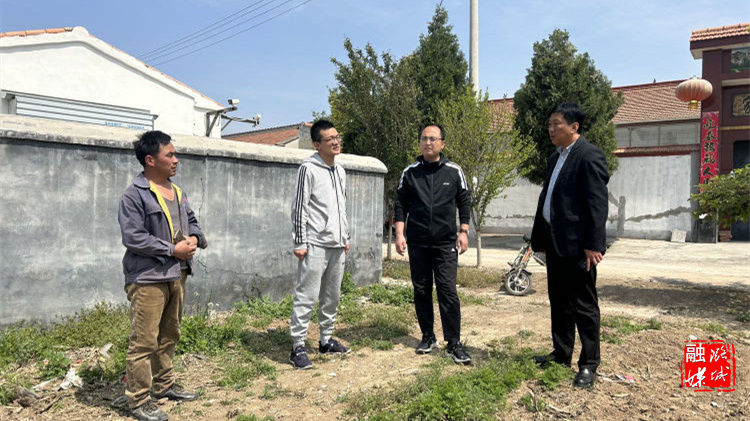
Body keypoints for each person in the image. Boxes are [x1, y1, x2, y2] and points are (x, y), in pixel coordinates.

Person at [118, 130, 207, 421]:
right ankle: (138, 400)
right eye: (169, 154)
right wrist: (172, 250)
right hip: (148, 278)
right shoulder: (134, 195)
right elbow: (133, 237)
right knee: (144, 341)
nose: (176, 159)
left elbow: (191, 220)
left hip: (177, 273)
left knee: (170, 333)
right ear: (150, 160)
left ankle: (164, 384)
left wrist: (195, 238)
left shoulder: (177, 192)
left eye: (175, 154)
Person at [530, 103, 609, 388]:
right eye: (549, 124)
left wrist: (593, 244)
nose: (551, 129)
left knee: (584, 306)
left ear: (574, 127)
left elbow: (597, 204)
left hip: (579, 247)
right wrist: (540, 239)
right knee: (559, 302)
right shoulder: (556, 157)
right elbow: (549, 199)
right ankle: (561, 353)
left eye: (557, 124)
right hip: (555, 242)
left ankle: (588, 364)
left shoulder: (589, 155)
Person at [394, 124, 473, 365]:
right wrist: (400, 234)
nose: (428, 142)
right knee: (421, 290)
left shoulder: (454, 171)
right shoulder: (410, 172)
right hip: (418, 242)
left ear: (442, 143)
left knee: (447, 290)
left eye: (433, 139)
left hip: (445, 242)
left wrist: (463, 231)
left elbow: (464, 202)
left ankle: (454, 343)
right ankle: (428, 336)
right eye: (424, 139)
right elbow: (400, 205)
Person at [289, 119, 351, 369]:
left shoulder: (340, 171)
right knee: (307, 295)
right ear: (317, 144)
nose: (336, 142)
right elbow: (299, 207)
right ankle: (298, 346)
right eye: (330, 139)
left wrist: (345, 236)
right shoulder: (308, 169)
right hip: (315, 243)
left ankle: (325, 340)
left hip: (337, 244)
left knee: (332, 295)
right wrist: (300, 241)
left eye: (337, 137)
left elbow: (342, 207)